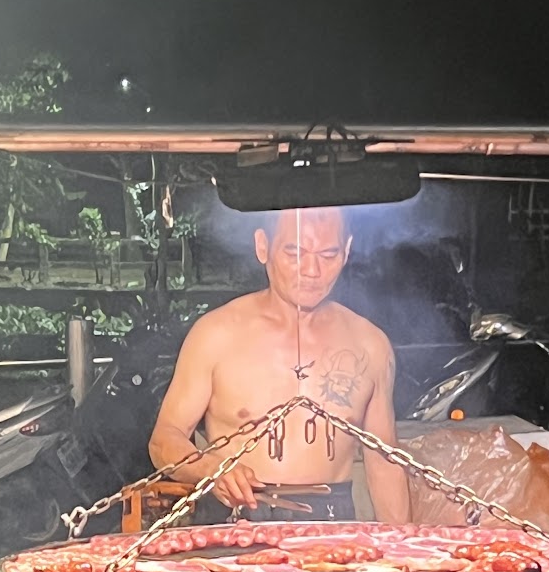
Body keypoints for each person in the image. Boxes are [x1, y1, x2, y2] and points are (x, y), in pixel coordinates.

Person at [148, 207, 410, 522]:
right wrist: (210, 469)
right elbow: (164, 439)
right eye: (295, 253)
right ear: (263, 247)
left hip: (332, 522)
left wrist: (404, 543)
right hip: (238, 520)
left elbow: (385, 462)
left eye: (328, 255)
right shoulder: (216, 335)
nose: (312, 270)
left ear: (347, 251)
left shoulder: (370, 345)